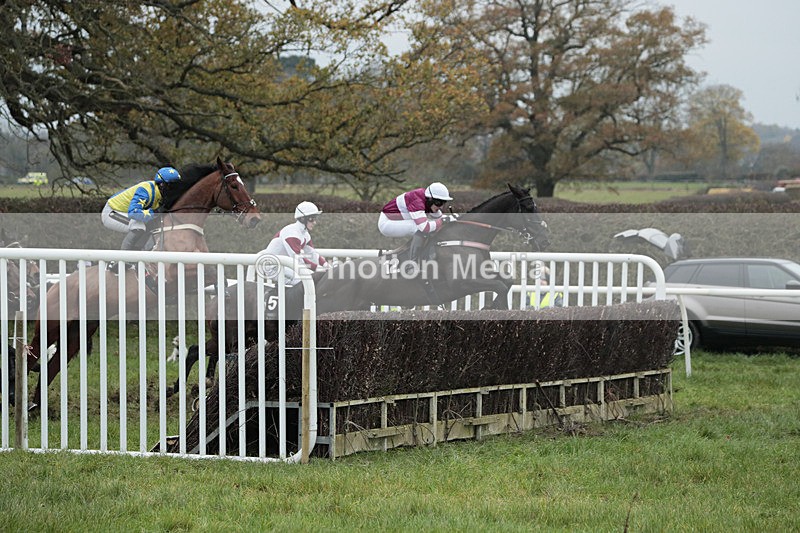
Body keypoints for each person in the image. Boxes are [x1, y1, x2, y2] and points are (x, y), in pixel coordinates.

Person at [102, 167, 182, 251]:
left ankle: (139, 255)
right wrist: (155, 212)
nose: (175, 190)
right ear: (162, 185)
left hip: (124, 213)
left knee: (151, 226)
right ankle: (125, 259)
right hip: (111, 213)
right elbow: (133, 213)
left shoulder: (161, 194)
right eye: (173, 186)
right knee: (138, 226)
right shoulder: (145, 191)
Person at [251, 201, 328, 286]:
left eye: (315, 218)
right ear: (302, 219)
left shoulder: (305, 234)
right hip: (272, 267)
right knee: (305, 281)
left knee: (310, 278)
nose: (314, 222)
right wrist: (318, 268)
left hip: (285, 265)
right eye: (311, 219)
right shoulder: (291, 233)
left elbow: (313, 255)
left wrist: (326, 265)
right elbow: (298, 259)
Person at [378, 182, 453, 262]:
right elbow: (425, 228)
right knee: (419, 228)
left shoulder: (428, 201)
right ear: (430, 199)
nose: (441, 206)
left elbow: (440, 220)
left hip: (397, 220)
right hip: (387, 223)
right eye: (439, 203)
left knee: (432, 225)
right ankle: (412, 263)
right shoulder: (417, 202)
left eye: (444, 202)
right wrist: (443, 220)